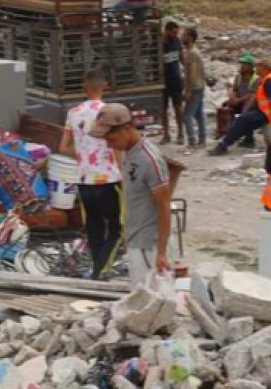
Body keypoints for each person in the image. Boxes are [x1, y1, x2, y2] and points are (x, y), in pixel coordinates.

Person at [90, 103, 171, 289]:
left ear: (126, 129)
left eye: (111, 138)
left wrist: (161, 253)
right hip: (136, 240)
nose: (109, 145)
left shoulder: (149, 159)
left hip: (149, 244)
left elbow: (164, 206)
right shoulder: (129, 154)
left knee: (153, 301)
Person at [58, 70, 123, 280]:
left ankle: (97, 269)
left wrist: (83, 156)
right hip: (109, 180)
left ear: (84, 87)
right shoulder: (111, 112)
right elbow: (118, 147)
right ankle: (100, 271)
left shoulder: (73, 113)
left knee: (94, 227)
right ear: (104, 85)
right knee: (116, 228)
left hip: (85, 180)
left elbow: (63, 147)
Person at [209, 59, 271, 156]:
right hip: (264, 112)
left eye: (258, 66)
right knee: (243, 121)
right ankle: (232, 143)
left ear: (264, 69)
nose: (256, 68)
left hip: (267, 115)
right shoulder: (266, 79)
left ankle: (224, 145)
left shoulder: (269, 81)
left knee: (241, 121)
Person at [217, 54, 258, 145]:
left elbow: (251, 95)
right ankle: (225, 130)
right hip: (240, 100)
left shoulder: (256, 79)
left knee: (246, 110)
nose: (242, 66)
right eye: (242, 64)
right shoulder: (238, 77)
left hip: (251, 102)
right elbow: (235, 89)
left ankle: (249, 138)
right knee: (225, 106)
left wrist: (238, 100)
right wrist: (232, 98)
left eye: (245, 64)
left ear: (251, 66)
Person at [181, 27, 206, 148]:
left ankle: (192, 141)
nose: (182, 37)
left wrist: (188, 90)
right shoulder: (192, 52)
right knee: (199, 115)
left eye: (185, 35)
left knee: (187, 116)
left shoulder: (193, 54)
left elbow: (193, 73)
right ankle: (202, 140)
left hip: (195, 88)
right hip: (199, 87)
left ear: (190, 37)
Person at [161, 21, 185, 145]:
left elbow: (181, 57)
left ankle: (181, 133)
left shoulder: (177, 41)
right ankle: (166, 134)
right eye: (173, 32)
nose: (175, 35)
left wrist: (186, 70)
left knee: (178, 108)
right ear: (167, 31)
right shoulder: (159, 43)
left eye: (176, 33)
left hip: (176, 79)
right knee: (163, 110)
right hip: (163, 81)